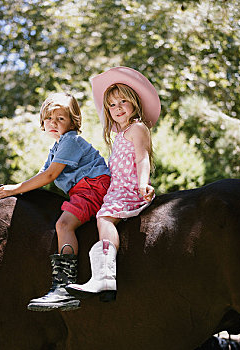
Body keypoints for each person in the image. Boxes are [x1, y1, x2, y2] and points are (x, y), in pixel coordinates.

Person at [0, 92, 111, 311]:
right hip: (83, 188)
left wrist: (15, 189)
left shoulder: (71, 140)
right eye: (49, 118)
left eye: (61, 119)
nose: (53, 123)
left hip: (93, 186)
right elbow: (42, 174)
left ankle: (65, 286)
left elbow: (49, 177)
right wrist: (16, 189)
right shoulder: (57, 147)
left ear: (72, 121)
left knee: (63, 225)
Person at [66, 66, 161, 302]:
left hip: (129, 189)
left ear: (134, 104)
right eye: (112, 105)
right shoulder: (119, 134)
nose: (117, 108)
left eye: (123, 102)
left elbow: (142, 157)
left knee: (104, 217)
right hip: (115, 191)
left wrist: (142, 184)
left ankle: (106, 275)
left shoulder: (137, 128)